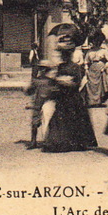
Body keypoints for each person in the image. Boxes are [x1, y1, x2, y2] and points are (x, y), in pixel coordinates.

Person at [42, 23, 98, 153]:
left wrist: (65, 82)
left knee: (75, 119)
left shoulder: (75, 67)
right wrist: (56, 80)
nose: (63, 57)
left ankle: (76, 143)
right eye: (63, 54)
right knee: (61, 120)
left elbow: (77, 83)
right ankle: (63, 143)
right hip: (63, 98)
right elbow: (55, 81)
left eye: (65, 54)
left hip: (72, 98)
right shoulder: (60, 66)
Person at [24, 59, 57, 149]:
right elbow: (29, 91)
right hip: (39, 102)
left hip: (46, 102)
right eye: (41, 68)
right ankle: (34, 141)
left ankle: (45, 140)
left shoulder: (50, 81)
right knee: (35, 122)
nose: (42, 70)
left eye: (44, 69)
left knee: (46, 122)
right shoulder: (39, 80)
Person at [82, 32, 108, 108]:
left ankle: (99, 101)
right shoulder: (90, 51)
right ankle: (92, 101)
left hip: (100, 68)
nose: (96, 43)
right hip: (92, 68)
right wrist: (86, 69)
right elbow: (86, 61)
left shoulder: (103, 51)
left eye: (98, 42)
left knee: (100, 85)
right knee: (91, 85)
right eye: (95, 41)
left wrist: (106, 66)